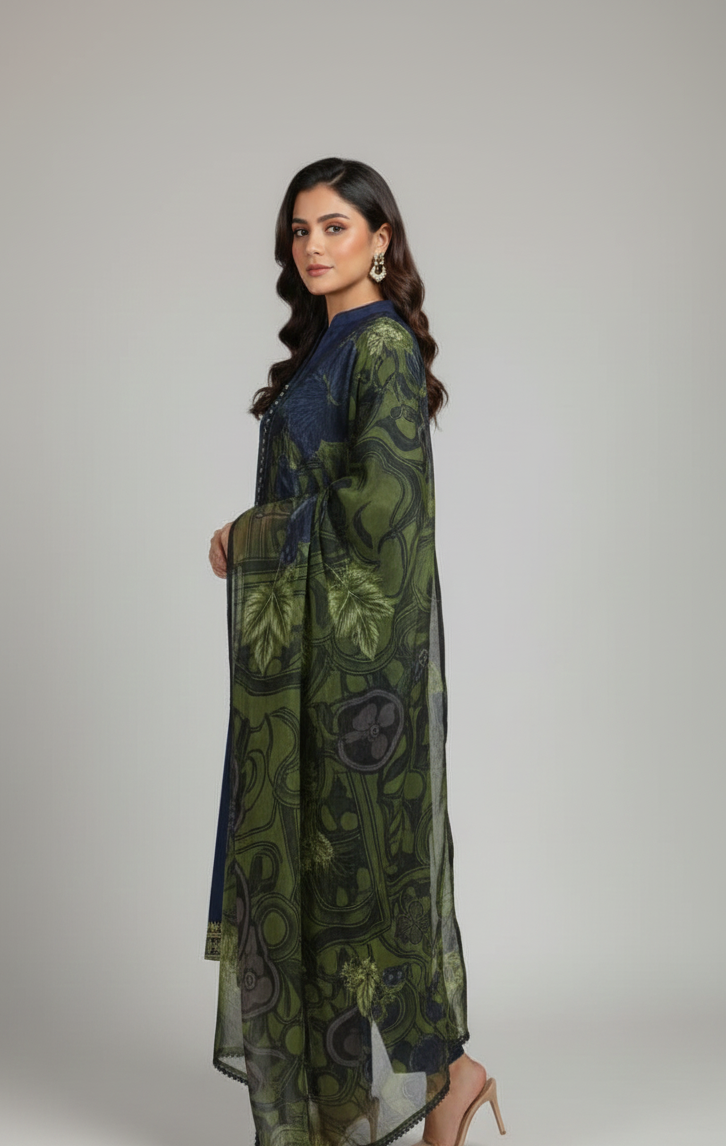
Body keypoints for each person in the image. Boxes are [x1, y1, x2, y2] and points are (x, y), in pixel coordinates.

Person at [205, 157, 505, 1146]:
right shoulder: (326, 348)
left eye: (335, 226)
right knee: (321, 880)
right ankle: (418, 1088)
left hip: (355, 676)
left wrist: (252, 534)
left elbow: (383, 509)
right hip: (308, 660)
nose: (313, 246)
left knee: (355, 886)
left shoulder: (378, 347)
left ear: (381, 240)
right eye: (300, 230)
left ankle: (431, 1080)